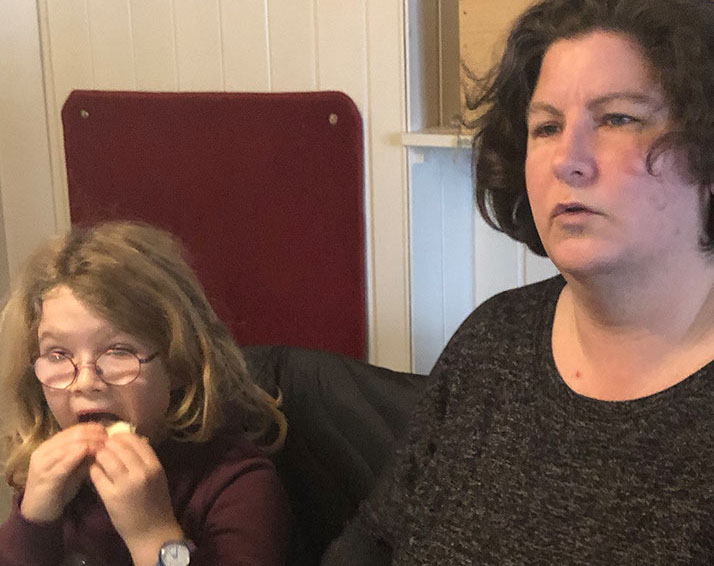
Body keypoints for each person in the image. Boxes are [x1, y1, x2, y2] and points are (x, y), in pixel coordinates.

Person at [322, 0, 714, 563]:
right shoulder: (494, 337)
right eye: (547, 127)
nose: (567, 160)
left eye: (617, 118)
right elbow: (373, 542)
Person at [0, 221, 291, 566]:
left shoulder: (237, 483)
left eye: (118, 351)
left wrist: (152, 534)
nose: (85, 382)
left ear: (179, 364)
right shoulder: (51, 477)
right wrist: (33, 522)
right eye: (58, 355)